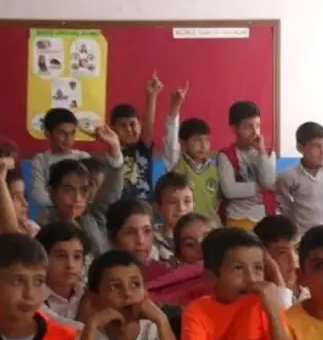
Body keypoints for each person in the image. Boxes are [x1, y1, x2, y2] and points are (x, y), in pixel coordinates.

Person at [30, 108, 123, 223]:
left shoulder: (82, 157)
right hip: (49, 222)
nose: (68, 139)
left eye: (72, 133)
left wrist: (114, 147)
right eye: (62, 133)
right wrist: (69, 202)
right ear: (48, 134)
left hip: (80, 220)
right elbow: (38, 195)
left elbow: (99, 191)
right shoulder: (40, 160)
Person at [162, 84, 221, 226]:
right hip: (185, 227)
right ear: (182, 143)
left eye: (206, 140)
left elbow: (219, 203)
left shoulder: (215, 170)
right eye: (196, 140)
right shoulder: (177, 164)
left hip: (211, 228)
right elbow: (170, 140)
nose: (203, 145)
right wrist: (175, 109)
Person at [276, 121, 323, 235]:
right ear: (300, 148)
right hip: (303, 235)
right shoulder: (288, 176)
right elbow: (285, 204)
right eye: (316, 146)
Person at [218, 101, 276, 229]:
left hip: (265, 217)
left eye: (258, 126)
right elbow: (229, 191)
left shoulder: (268, 153)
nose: (255, 132)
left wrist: (261, 152)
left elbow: (268, 182)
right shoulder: (225, 155)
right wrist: (260, 187)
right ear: (234, 128)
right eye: (248, 127)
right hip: (238, 217)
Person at [113, 74, 163, 201]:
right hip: (121, 207)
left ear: (140, 127)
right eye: (122, 126)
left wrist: (151, 96)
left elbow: (149, 122)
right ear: (113, 130)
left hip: (145, 205)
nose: (129, 129)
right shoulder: (113, 155)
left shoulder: (143, 149)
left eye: (132, 124)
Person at [47, 159, 112, 257]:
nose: (77, 198)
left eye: (84, 190)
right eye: (68, 190)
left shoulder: (89, 222)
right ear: (53, 193)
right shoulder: (41, 227)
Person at [36, 221, 90, 324]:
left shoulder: (88, 295)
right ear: (43, 258)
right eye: (61, 256)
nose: (70, 265)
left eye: (77, 256)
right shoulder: (34, 297)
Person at [253, 214, 301, 303]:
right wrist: (274, 270)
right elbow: (283, 316)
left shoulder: (311, 286)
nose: (293, 259)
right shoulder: (260, 296)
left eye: (296, 249)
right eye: (282, 252)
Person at [152, 172, 194, 262]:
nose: (181, 208)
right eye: (172, 202)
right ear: (158, 207)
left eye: (187, 201)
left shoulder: (202, 239)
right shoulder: (152, 242)